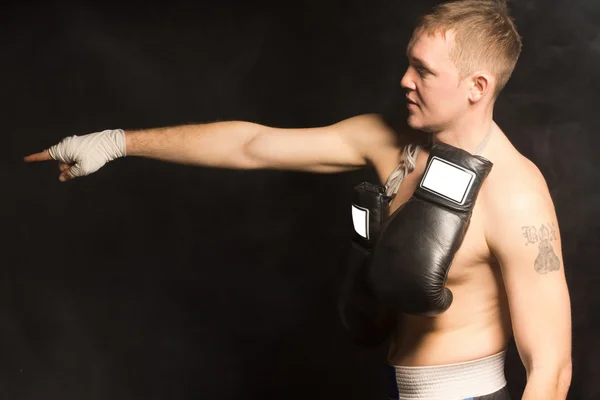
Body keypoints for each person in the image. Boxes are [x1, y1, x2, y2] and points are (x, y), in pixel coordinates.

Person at [24, 0, 572, 399]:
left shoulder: (517, 195)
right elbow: (253, 145)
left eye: (423, 71)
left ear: (477, 87)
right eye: (408, 62)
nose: (404, 80)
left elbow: (551, 369)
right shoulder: (385, 141)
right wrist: (117, 142)